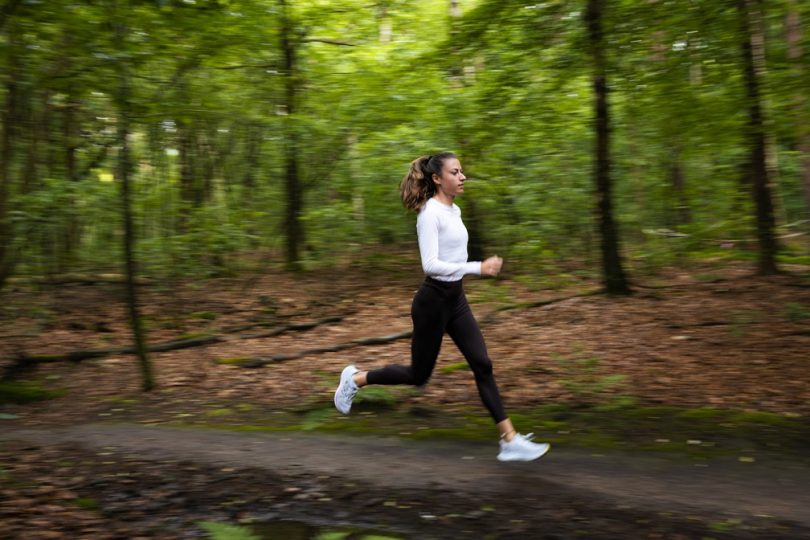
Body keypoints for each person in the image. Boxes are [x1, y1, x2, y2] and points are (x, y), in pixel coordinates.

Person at [334, 152, 549, 462]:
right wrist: (478, 268)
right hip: (432, 304)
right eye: (455, 172)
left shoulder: (455, 210)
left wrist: (471, 269)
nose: (462, 177)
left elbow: (454, 260)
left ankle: (509, 439)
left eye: (462, 171)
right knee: (418, 375)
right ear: (437, 179)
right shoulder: (429, 214)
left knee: (482, 364)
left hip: (455, 300)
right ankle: (355, 379)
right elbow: (431, 265)